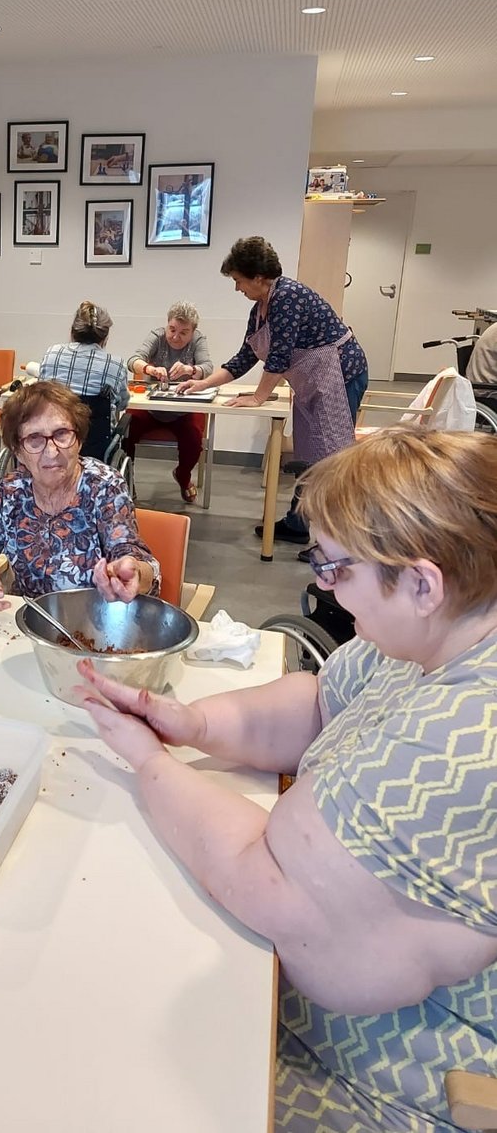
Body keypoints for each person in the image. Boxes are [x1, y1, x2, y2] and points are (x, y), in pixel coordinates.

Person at [77, 428, 497, 1133]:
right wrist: (189, 722)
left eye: (336, 569)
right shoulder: (442, 627)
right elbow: (318, 700)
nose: (320, 584)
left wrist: (149, 762)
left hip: (411, 1065)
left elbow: (270, 880)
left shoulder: (464, 731)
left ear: (422, 582)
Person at [179, 235, 368, 543]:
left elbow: (279, 356)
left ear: (259, 277)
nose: (238, 288)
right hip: (312, 383)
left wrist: (258, 397)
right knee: (313, 458)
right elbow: (245, 357)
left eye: (239, 281)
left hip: (341, 376)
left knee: (332, 461)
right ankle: (298, 524)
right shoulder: (260, 308)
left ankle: (335, 541)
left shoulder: (288, 297)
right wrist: (202, 383)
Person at [0, 379, 159, 610]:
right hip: (29, 626)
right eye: (35, 439)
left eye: (62, 434)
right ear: (18, 451)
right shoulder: (11, 493)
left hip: (96, 626)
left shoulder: (104, 487)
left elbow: (141, 563)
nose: (52, 451)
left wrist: (134, 573)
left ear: (79, 440)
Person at [125, 301, 213, 504]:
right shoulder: (156, 336)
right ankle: (128, 480)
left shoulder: (199, 340)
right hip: (152, 407)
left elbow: (207, 367)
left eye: (183, 332)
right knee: (126, 430)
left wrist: (190, 370)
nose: (175, 336)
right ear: (167, 325)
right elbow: (133, 359)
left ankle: (183, 476)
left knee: (193, 439)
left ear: (193, 332)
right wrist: (149, 369)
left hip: (184, 408)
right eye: (172, 329)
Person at [38, 301, 129, 423]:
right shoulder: (115, 365)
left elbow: (41, 393)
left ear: (72, 331)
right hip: (96, 439)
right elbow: (121, 404)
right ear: (105, 337)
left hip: (54, 435)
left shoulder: (52, 353)